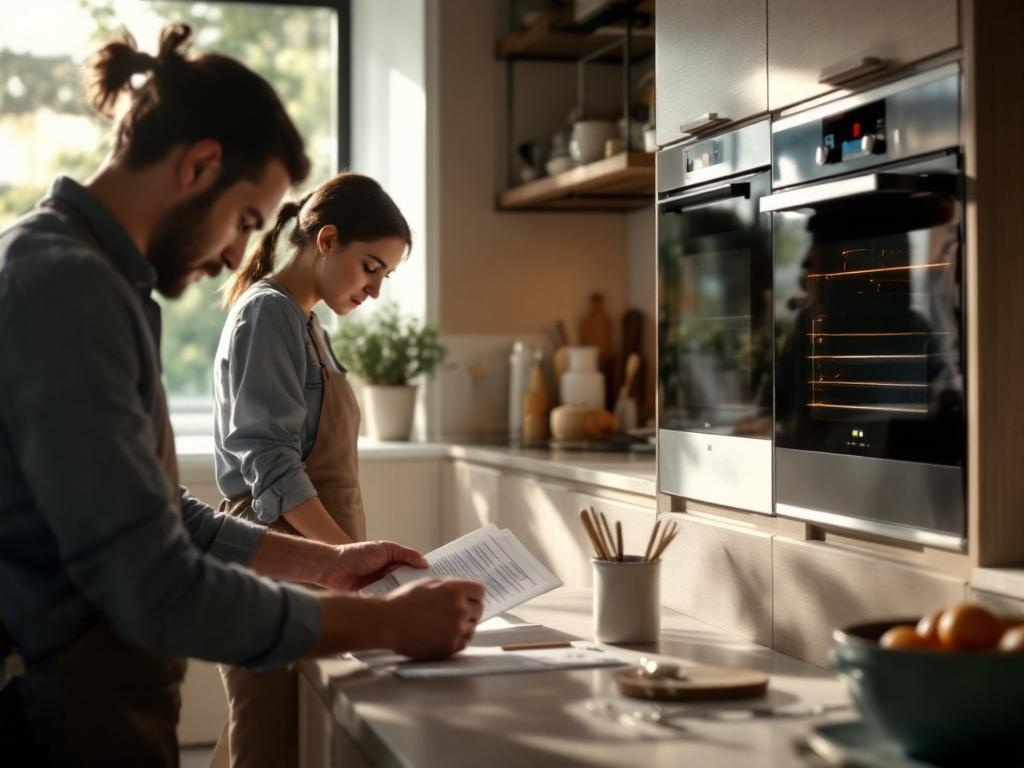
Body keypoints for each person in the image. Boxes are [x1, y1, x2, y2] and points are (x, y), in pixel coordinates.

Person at [0, 24, 483, 766]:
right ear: (199, 165)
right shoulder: (67, 288)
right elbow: (153, 582)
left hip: (101, 702)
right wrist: (382, 625)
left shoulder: (93, 281)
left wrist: (325, 564)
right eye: (248, 220)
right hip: (61, 715)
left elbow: (159, 514)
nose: (236, 251)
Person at [209, 174, 410, 765]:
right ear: (326, 240)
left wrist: (350, 563)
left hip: (313, 565)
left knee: (270, 735)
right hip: (279, 564)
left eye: (385, 277)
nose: (374, 291)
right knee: (268, 743)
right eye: (371, 267)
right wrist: (349, 561)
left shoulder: (306, 321)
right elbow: (272, 464)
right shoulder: (268, 314)